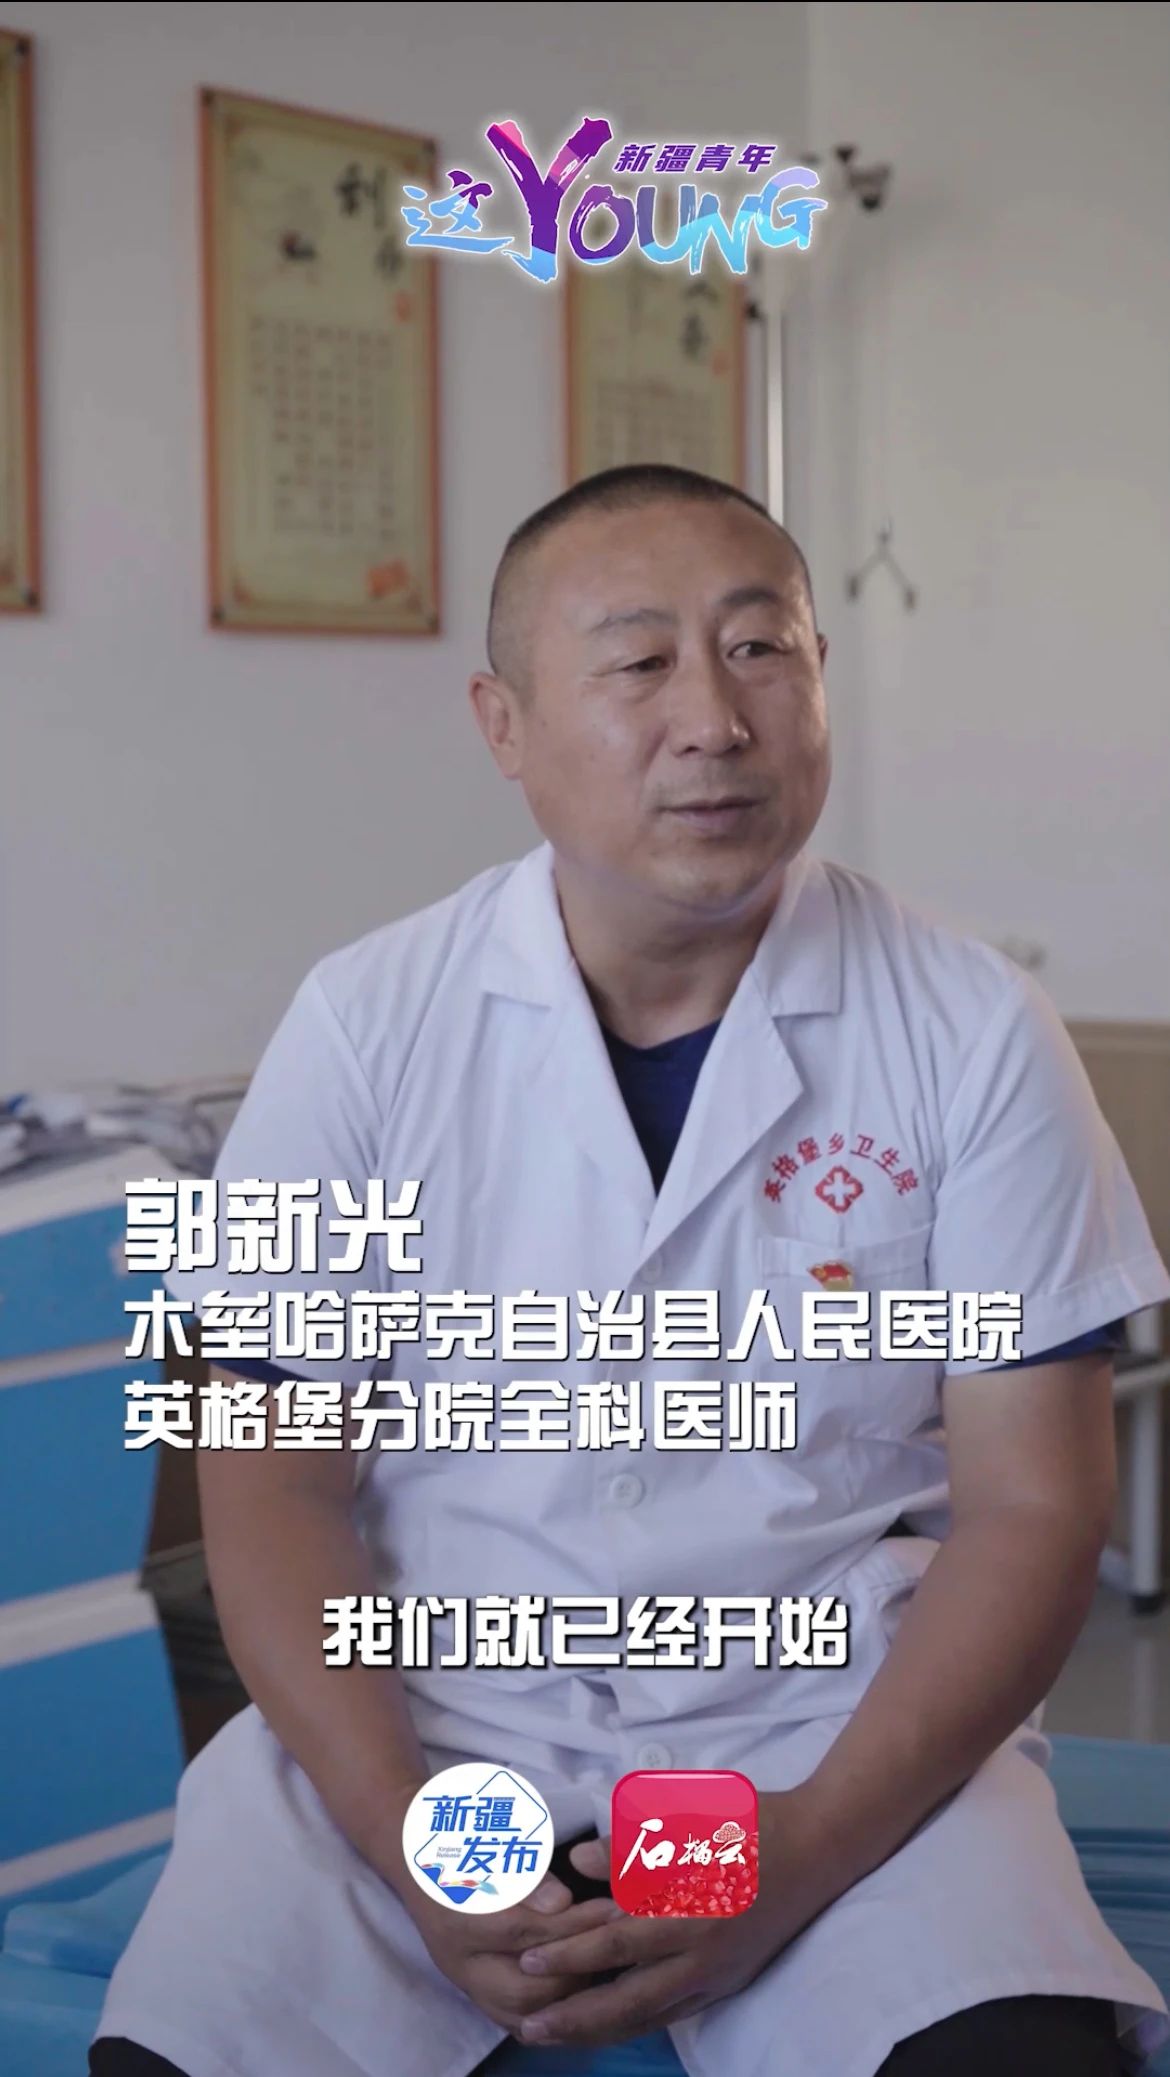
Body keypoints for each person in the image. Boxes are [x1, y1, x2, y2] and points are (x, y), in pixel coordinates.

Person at [94, 465, 1170, 2077]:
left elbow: (1032, 1505)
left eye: (759, 649)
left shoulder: (967, 1030)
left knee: (1001, 2057)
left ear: (818, 682)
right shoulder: (364, 1027)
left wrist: (800, 1849)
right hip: (437, 1717)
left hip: (819, 1727)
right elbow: (274, 1487)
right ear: (504, 722)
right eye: (639, 662)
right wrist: (407, 1833)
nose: (714, 721)